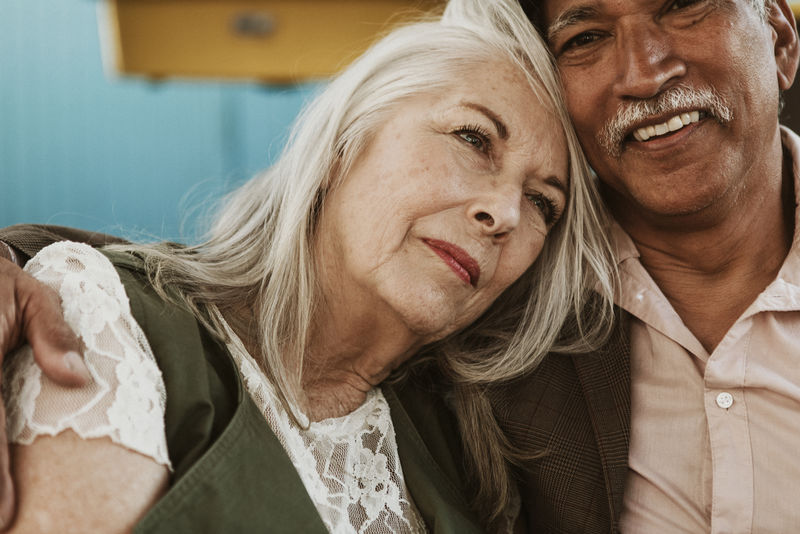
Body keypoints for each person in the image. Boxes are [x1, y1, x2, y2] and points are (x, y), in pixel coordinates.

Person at [0, 2, 615, 532]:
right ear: (346, 140)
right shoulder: (109, 324)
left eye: (543, 202)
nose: (505, 211)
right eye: (473, 138)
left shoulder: (471, 461)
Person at [468, 0, 798, 531]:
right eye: (585, 39)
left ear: (780, 39)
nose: (644, 74)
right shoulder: (494, 323)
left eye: (683, 8)